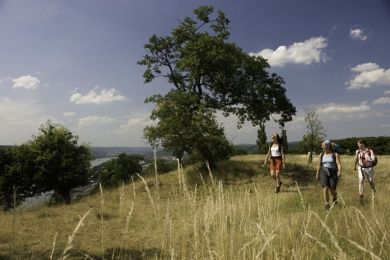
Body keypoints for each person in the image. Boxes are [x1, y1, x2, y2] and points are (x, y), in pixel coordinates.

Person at [316, 140, 342, 210]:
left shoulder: (335, 154)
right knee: (325, 188)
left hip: (333, 172)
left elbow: (339, 164)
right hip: (324, 172)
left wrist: (339, 171)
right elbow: (319, 165)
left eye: (323, 145)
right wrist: (317, 174)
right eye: (322, 145)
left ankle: (334, 197)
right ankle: (327, 204)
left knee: (332, 189)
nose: (322, 146)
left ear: (328, 145)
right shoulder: (321, 155)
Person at [353, 139, 376, 205]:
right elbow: (356, 159)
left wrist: (369, 160)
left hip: (369, 168)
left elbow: (373, 159)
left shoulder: (370, 151)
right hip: (360, 167)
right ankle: (361, 196)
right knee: (361, 181)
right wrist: (354, 166)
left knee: (371, 181)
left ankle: (373, 192)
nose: (358, 145)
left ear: (363, 144)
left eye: (359, 144)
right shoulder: (357, 151)